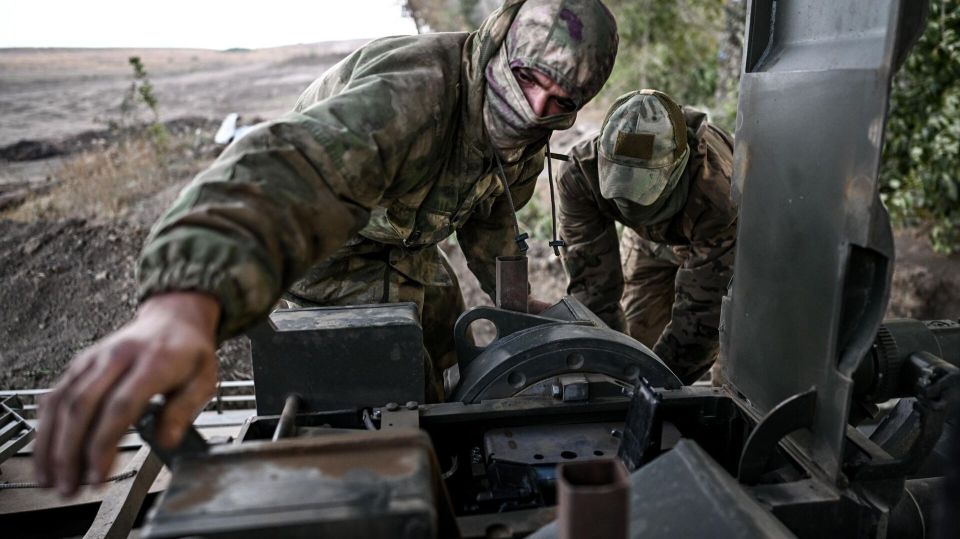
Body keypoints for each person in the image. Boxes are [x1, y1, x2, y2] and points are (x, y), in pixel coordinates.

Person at [34, 0, 618, 496]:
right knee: (389, 378)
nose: (538, 107)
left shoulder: (528, 122)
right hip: (333, 248)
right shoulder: (416, 93)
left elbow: (490, 205)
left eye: (562, 99)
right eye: (529, 80)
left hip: (407, 243)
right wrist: (184, 307)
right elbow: (290, 174)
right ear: (498, 50)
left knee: (443, 336)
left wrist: (512, 304)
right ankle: (387, 486)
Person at [557, 89, 736, 384]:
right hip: (646, 240)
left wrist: (653, 391)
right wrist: (612, 371)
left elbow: (702, 316)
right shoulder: (580, 175)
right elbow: (593, 285)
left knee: (727, 363)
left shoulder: (719, 194)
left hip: (717, 240)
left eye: (642, 190)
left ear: (676, 168)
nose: (630, 202)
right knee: (635, 344)